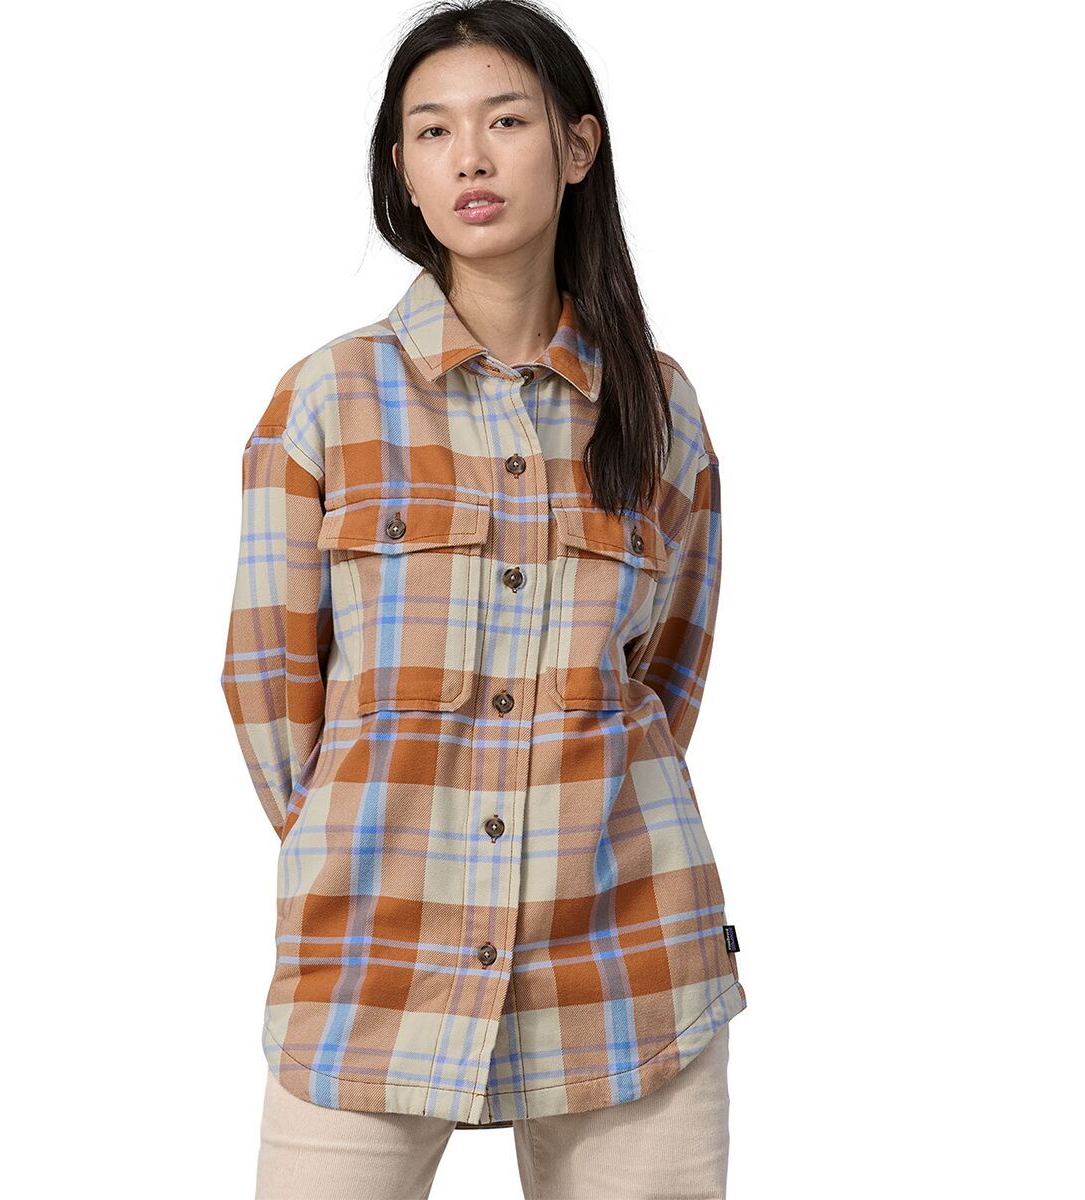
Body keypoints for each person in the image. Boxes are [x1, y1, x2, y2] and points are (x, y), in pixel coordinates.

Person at [219, 2, 747, 1195]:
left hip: (627, 961)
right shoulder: (328, 398)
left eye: (506, 121)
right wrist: (357, 832)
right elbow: (266, 679)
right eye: (432, 130)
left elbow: (667, 678)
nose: (469, 156)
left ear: (577, 147)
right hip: (371, 955)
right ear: (401, 172)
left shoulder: (660, 409)